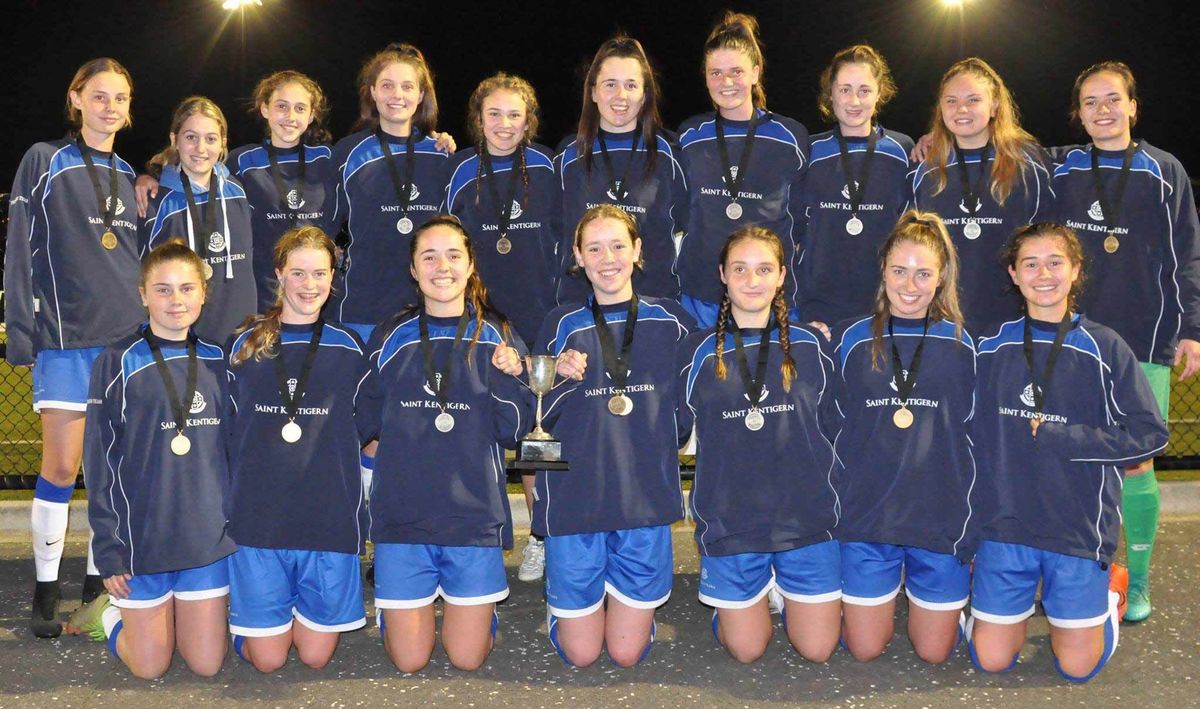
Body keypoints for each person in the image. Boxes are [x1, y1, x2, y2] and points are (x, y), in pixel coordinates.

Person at [970, 222, 1168, 681]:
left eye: (1055, 262)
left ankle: (1110, 594)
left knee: (1077, 668)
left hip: (1077, 527)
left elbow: (1150, 435)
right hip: (1006, 526)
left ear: (1076, 269)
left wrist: (1066, 438)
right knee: (991, 660)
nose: (1043, 274)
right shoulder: (989, 346)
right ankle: (990, 610)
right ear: (1014, 274)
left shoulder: (1105, 346)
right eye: (1030, 264)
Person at [1049, 61, 1200, 622]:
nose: (1103, 110)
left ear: (1133, 106)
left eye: (1113, 99)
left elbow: (1187, 255)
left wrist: (1192, 329)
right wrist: (927, 143)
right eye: (1090, 102)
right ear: (1078, 113)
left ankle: (1137, 582)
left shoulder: (1164, 170)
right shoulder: (1062, 167)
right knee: (1071, 454)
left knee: (1136, 463)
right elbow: (1002, 149)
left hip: (1145, 337)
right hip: (1074, 339)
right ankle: (1079, 572)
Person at [4, 58, 145, 637]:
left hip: (124, 343)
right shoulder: (45, 160)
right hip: (65, 339)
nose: (110, 106)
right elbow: (19, 246)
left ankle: (95, 582)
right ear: (77, 98)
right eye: (99, 95)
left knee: (108, 469)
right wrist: (21, 326)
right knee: (62, 466)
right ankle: (45, 587)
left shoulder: (131, 174)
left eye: (120, 98)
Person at [358, 216, 530, 672]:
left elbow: (515, 430)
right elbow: (362, 420)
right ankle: (396, 613)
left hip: (472, 519)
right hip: (403, 520)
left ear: (470, 265)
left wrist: (510, 377)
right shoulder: (390, 335)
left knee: (467, 659)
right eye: (429, 257)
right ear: (413, 269)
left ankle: (479, 615)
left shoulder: (496, 334)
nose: (442, 267)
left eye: (454, 255)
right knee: (409, 661)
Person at [534, 204, 694, 668]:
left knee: (625, 654)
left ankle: (622, 612)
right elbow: (536, 416)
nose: (608, 259)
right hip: (576, 506)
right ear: (578, 257)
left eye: (618, 246)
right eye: (595, 248)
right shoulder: (561, 323)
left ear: (638, 251)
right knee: (581, 655)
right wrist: (557, 378)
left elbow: (696, 394)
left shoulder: (672, 320)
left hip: (642, 503)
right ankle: (563, 609)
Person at [677, 226, 840, 663]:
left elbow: (838, 430)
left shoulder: (812, 344)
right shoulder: (696, 351)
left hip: (804, 521)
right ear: (722, 275)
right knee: (747, 651)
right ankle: (739, 607)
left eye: (764, 269)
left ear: (782, 276)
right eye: (740, 269)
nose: (752, 281)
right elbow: (669, 430)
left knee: (818, 650)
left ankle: (780, 592)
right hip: (733, 523)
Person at [74, 240, 236, 678]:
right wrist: (110, 550)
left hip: (205, 541)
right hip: (143, 540)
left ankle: (176, 620)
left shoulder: (219, 360)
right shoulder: (117, 361)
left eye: (186, 288)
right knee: (150, 666)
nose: (176, 300)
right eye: (162, 290)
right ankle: (108, 615)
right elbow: (100, 462)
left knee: (206, 664)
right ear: (143, 294)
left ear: (204, 293)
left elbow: (236, 453)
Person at [828, 212, 976, 664]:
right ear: (883, 271)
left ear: (941, 276)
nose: (909, 285)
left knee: (934, 653)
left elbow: (976, 440)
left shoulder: (962, 344)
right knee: (865, 649)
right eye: (899, 271)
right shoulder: (850, 340)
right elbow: (828, 429)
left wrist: (975, 524)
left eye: (923, 273)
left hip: (938, 519)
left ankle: (962, 616)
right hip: (869, 518)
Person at [224, 226, 369, 671]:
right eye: (299, 273)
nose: (310, 285)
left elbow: (372, 426)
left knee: (315, 657)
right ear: (279, 274)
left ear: (333, 278)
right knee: (268, 661)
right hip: (260, 522)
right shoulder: (246, 344)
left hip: (326, 521)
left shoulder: (350, 347)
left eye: (320, 273)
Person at [443, 72, 561, 582]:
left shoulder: (547, 167)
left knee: (539, 431)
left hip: (537, 317)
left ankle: (543, 535)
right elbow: (444, 240)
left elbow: (564, 239)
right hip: (479, 320)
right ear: (478, 118)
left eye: (515, 114)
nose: (505, 124)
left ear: (529, 119)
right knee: (478, 425)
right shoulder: (459, 169)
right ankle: (475, 533)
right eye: (494, 113)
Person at [677, 12, 809, 327]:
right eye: (716, 73)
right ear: (705, 77)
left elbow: (804, 220)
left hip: (770, 299)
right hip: (701, 296)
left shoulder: (790, 136)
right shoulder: (689, 136)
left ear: (755, 73)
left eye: (736, 71)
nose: (726, 82)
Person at [910, 58, 1053, 334]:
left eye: (973, 99)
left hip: (1014, 323)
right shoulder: (924, 168)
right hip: (943, 323)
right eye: (951, 101)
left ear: (995, 105)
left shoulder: (1029, 164)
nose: (961, 109)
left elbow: (1049, 241)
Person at [555, 36, 687, 305]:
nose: (621, 96)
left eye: (631, 85)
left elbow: (689, 226)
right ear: (593, 91)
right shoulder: (568, 156)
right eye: (610, 84)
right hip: (582, 305)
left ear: (645, 94)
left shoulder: (670, 153)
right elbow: (553, 232)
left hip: (654, 304)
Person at [798, 45, 912, 329]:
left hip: (884, 304)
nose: (854, 100)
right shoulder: (810, 151)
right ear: (831, 93)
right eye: (845, 89)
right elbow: (793, 231)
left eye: (864, 90)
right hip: (818, 307)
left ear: (879, 93)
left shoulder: (902, 151)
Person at [142, 96, 256, 344]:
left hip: (242, 337)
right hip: (185, 342)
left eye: (211, 139)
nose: (201, 149)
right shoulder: (157, 201)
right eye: (191, 137)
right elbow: (141, 275)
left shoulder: (238, 191)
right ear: (174, 139)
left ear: (223, 141)